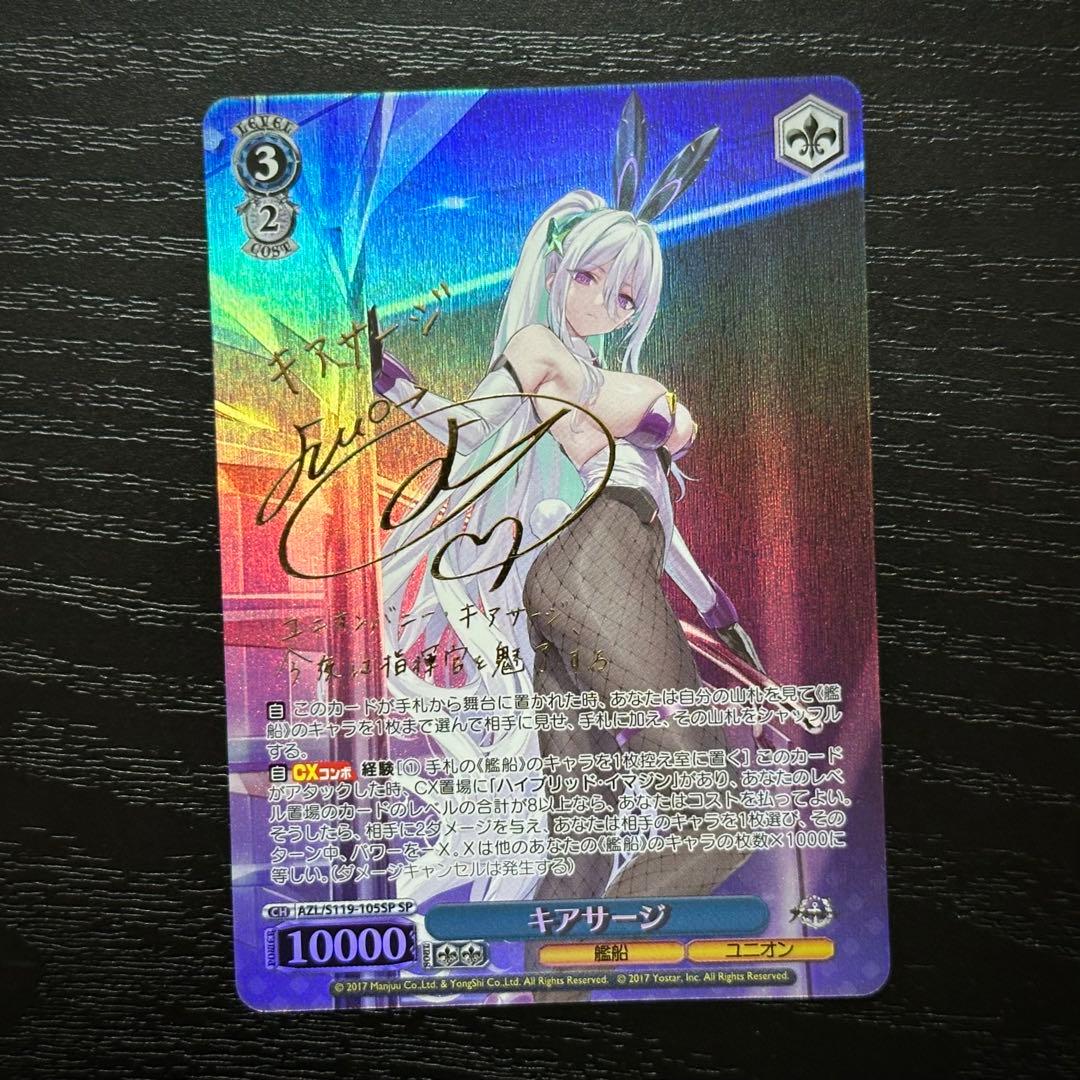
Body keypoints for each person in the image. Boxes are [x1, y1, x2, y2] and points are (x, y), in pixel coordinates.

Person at [370, 93, 765, 914]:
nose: (602, 303)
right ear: (555, 269)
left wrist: (722, 617)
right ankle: (590, 957)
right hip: (594, 563)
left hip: (588, 570)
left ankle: (551, 967)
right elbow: (474, 429)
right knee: (715, 821)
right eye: (588, 276)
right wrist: (397, 386)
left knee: (583, 841)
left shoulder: (603, 375)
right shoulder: (540, 346)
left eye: (623, 298)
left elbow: (668, 529)